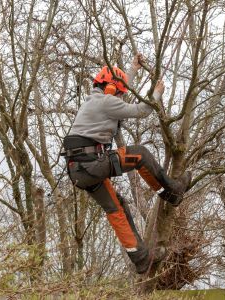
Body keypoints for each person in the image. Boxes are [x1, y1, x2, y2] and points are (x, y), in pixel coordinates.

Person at [63, 54, 191, 274]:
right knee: (139, 155)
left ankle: (140, 258)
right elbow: (142, 110)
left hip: (78, 171)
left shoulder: (95, 99)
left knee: (116, 208)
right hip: (91, 163)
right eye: (118, 89)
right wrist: (157, 93)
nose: (121, 94)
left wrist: (133, 69)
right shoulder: (105, 102)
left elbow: (119, 90)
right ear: (110, 87)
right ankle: (172, 191)